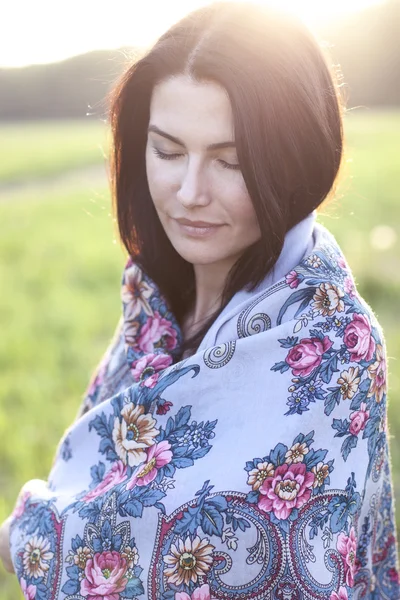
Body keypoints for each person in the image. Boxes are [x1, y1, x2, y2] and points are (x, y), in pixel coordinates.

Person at [1, 2, 399, 598]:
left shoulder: (332, 343)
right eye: (166, 151)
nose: (188, 193)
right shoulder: (156, 298)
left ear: (293, 162)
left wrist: (26, 534)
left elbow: (229, 555)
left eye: (230, 161)